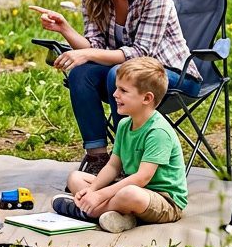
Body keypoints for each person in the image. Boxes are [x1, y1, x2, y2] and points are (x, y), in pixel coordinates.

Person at [30, 0, 199, 175]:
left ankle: (127, 161)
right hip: (122, 76)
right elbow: (95, 46)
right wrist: (65, 28)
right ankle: (98, 159)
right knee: (81, 73)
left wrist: (86, 53)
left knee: (117, 73)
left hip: (174, 75)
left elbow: (142, 53)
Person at [51, 57, 188, 233]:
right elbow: (113, 166)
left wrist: (99, 196)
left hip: (164, 201)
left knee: (129, 193)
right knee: (76, 178)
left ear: (146, 98)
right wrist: (92, 191)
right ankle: (120, 216)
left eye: (123, 90)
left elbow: (141, 179)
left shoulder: (158, 131)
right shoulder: (124, 125)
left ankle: (88, 211)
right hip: (131, 188)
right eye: (117, 88)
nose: (115, 94)